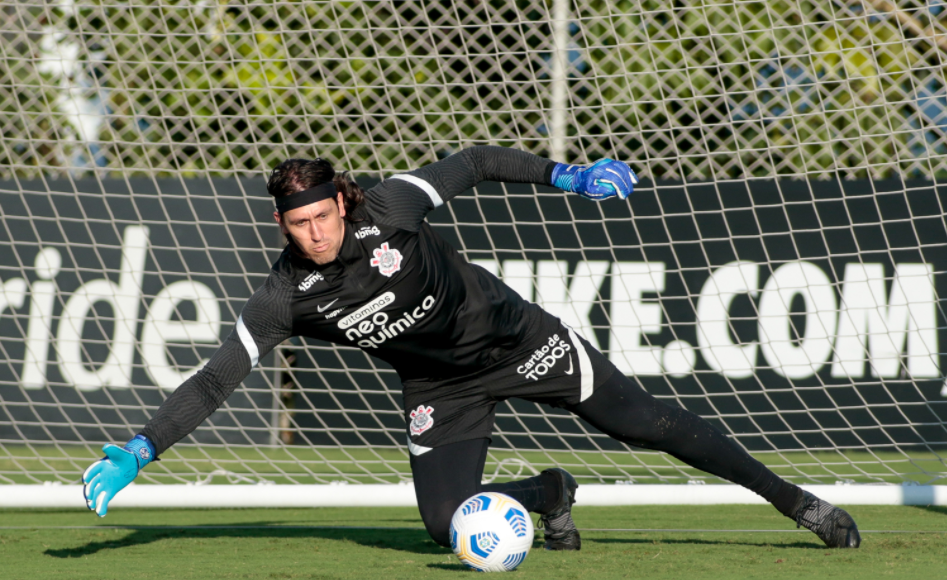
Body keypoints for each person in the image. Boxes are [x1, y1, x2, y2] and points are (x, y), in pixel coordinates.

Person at [82, 146, 860, 550]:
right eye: (297, 224)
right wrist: (140, 448)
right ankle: (546, 495)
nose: (313, 233)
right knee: (444, 522)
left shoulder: (392, 204)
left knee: (650, 426)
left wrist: (569, 177)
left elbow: (478, 163)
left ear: (342, 202)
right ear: (282, 226)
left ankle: (799, 504)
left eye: (321, 216)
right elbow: (218, 380)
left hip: (517, 341)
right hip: (437, 389)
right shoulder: (285, 295)